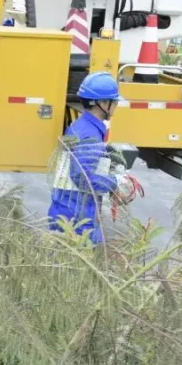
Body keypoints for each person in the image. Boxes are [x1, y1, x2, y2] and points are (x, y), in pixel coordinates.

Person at [47, 72, 138, 244]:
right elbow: (83, 178)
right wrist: (116, 181)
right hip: (77, 218)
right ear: (103, 103)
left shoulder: (81, 126)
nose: (116, 105)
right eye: (115, 101)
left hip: (67, 209)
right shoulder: (90, 135)